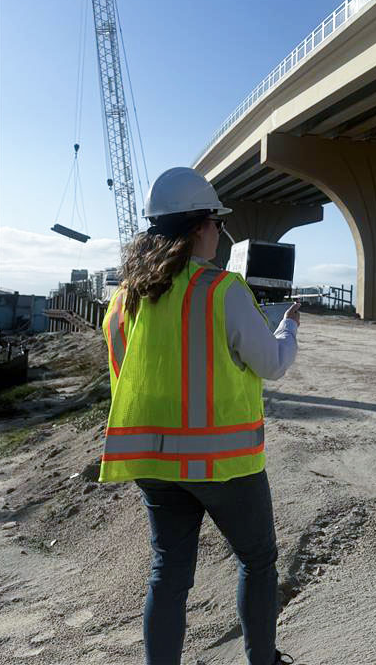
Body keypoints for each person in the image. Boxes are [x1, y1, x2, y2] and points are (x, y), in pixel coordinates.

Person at [99, 167, 300, 665]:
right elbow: (272, 364)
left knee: (168, 573)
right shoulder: (222, 289)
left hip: (152, 462)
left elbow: (129, 372)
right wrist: (289, 329)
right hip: (223, 463)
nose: (221, 233)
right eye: (216, 222)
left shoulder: (123, 300)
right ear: (197, 228)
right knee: (257, 560)